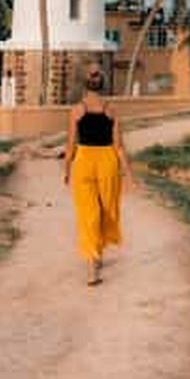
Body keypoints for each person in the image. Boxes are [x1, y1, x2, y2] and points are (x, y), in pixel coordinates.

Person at [64, 64, 134, 286]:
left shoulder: (77, 110)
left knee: (89, 214)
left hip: (84, 161)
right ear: (101, 83)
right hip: (107, 162)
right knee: (105, 211)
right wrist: (128, 173)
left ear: (85, 84)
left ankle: (93, 261)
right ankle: (96, 258)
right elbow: (119, 146)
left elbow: (70, 146)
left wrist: (67, 170)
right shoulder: (111, 110)